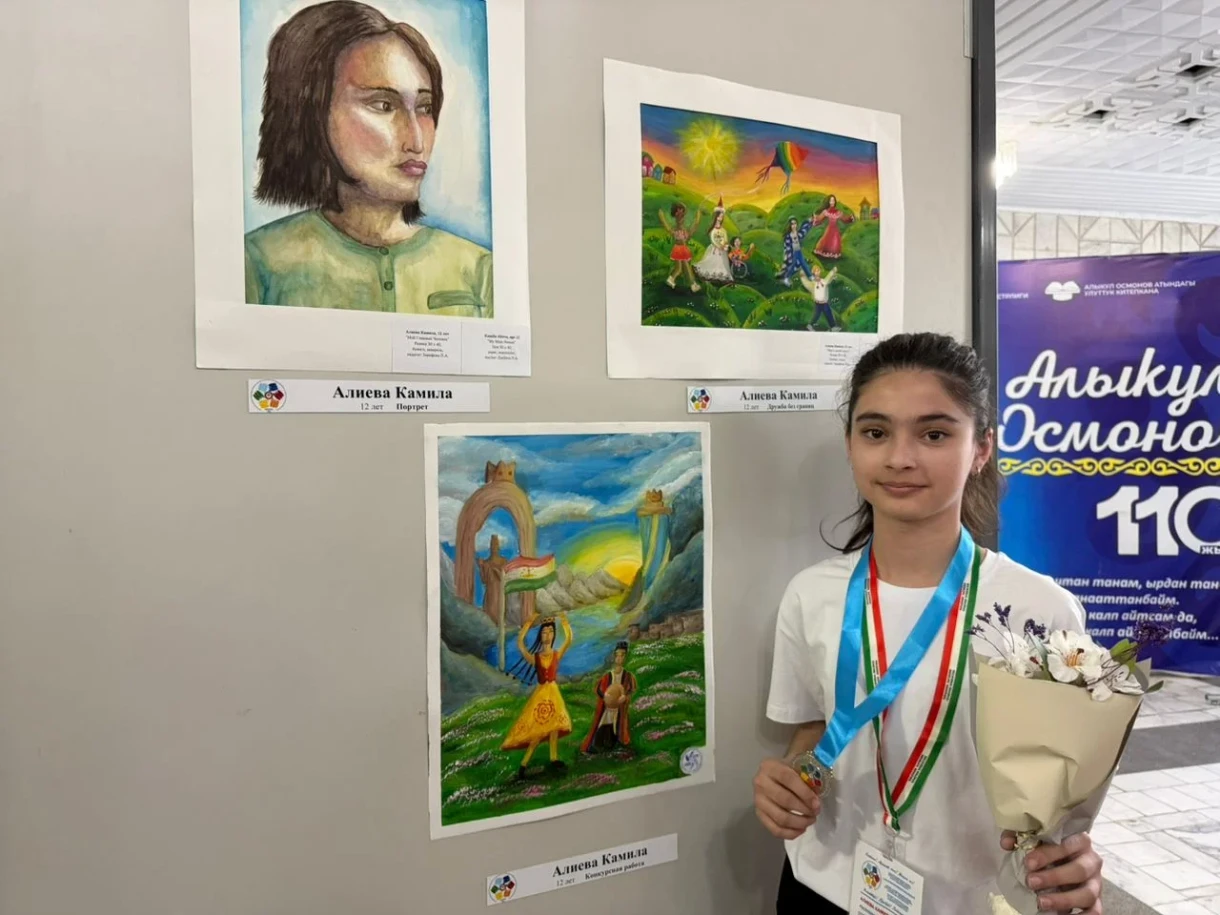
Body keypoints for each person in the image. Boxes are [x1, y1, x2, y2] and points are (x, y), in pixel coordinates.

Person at [755, 333, 1105, 915]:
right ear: (850, 445)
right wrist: (788, 780)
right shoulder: (810, 595)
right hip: (826, 885)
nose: (900, 457)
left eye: (934, 434)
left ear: (981, 448)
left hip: (970, 899)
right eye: (875, 432)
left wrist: (1071, 866)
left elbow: (1060, 788)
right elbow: (815, 728)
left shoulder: (1040, 610)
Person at [244, 1, 493, 317]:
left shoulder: (479, 270)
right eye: (384, 106)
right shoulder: (258, 263)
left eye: (425, 108)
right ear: (312, 113)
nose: (416, 141)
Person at [502, 615, 575, 779]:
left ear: (554, 635)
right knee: (538, 732)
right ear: (540, 636)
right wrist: (527, 625)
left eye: (550, 632)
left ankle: (554, 758)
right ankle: (524, 764)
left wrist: (564, 622)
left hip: (554, 694)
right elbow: (521, 645)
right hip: (541, 695)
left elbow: (569, 640)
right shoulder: (536, 658)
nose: (547, 635)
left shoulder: (556, 655)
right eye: (544, 632)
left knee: (554, 727)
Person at [580, 641, 638, 754]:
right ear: (614, 657)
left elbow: (630, 690)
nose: (619, 658)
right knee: (602, 724)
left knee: (618, 726)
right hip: (607, 708)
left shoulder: (628, 676)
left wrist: (624, 697)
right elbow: (598, 689)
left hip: (619, 708)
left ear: (625, 657)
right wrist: (605, 696)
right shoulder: (608, 676)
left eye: (622, 655)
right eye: (617, 655)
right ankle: (596, 747)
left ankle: (614, 746)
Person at [659, 202, 702, 292]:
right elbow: (668, 226)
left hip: (680, 248)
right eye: (679, 212)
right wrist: (662, 217)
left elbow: (695, 225)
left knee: (679, 268)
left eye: (682, 213)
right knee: (686, 267)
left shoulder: (681, 230)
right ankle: (693, 285)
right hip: (680, 248)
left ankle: (671, 279)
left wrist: (698, 217)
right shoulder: (678, 228)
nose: (682, 217)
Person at [694, 208, 733, 284]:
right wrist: (719, 246)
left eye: (722, 217)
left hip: (722, 249)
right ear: (716, 217)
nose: (720, 218)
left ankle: (720, 276)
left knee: (722, 263)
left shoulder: (723, 230)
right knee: (712, 261)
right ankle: (710, 275)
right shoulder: (713, 229)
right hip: (715, 248)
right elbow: (712, 239)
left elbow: (725, 238)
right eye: (719, 216)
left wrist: (724, 245)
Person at [812, 194, 855, 259]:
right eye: (831, 201)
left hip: (835, 231)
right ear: (828, 202)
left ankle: (833, 255)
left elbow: (844, 219)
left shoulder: (838, 212)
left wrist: (850, 218)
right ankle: (825, 254)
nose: (832, 202)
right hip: (829, 229)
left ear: (835, 202)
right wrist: (815, 218)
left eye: (833, 201)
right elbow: (819, 218)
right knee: (825, 242)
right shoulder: (826, 211)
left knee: (835, 242)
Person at [800, 264, 840, 331]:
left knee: (828, 314)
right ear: (813, 273)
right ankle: (810, 325)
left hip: (824, 303)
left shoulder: (823, 281)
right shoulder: (813, 283)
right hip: (818, 303)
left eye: (818, 270)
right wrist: (802, 274)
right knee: (816, 315)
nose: (818, 272)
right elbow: (806, 282)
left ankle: (833, 327)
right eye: (816, 271)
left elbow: (828, 279)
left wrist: (833, 273)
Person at [778, 216, 814, 286]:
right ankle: (786, 278)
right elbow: (787, 247)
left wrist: (809, 221)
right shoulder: (788, 236)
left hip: (798, 251)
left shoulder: (798, 233)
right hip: (793, 252)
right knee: (793, 266)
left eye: (795, 223)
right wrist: (789, 256)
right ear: (790, 225)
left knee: (803, 264)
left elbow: (804, 230)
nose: (794, 225)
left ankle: (810, 277)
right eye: (792, 224)